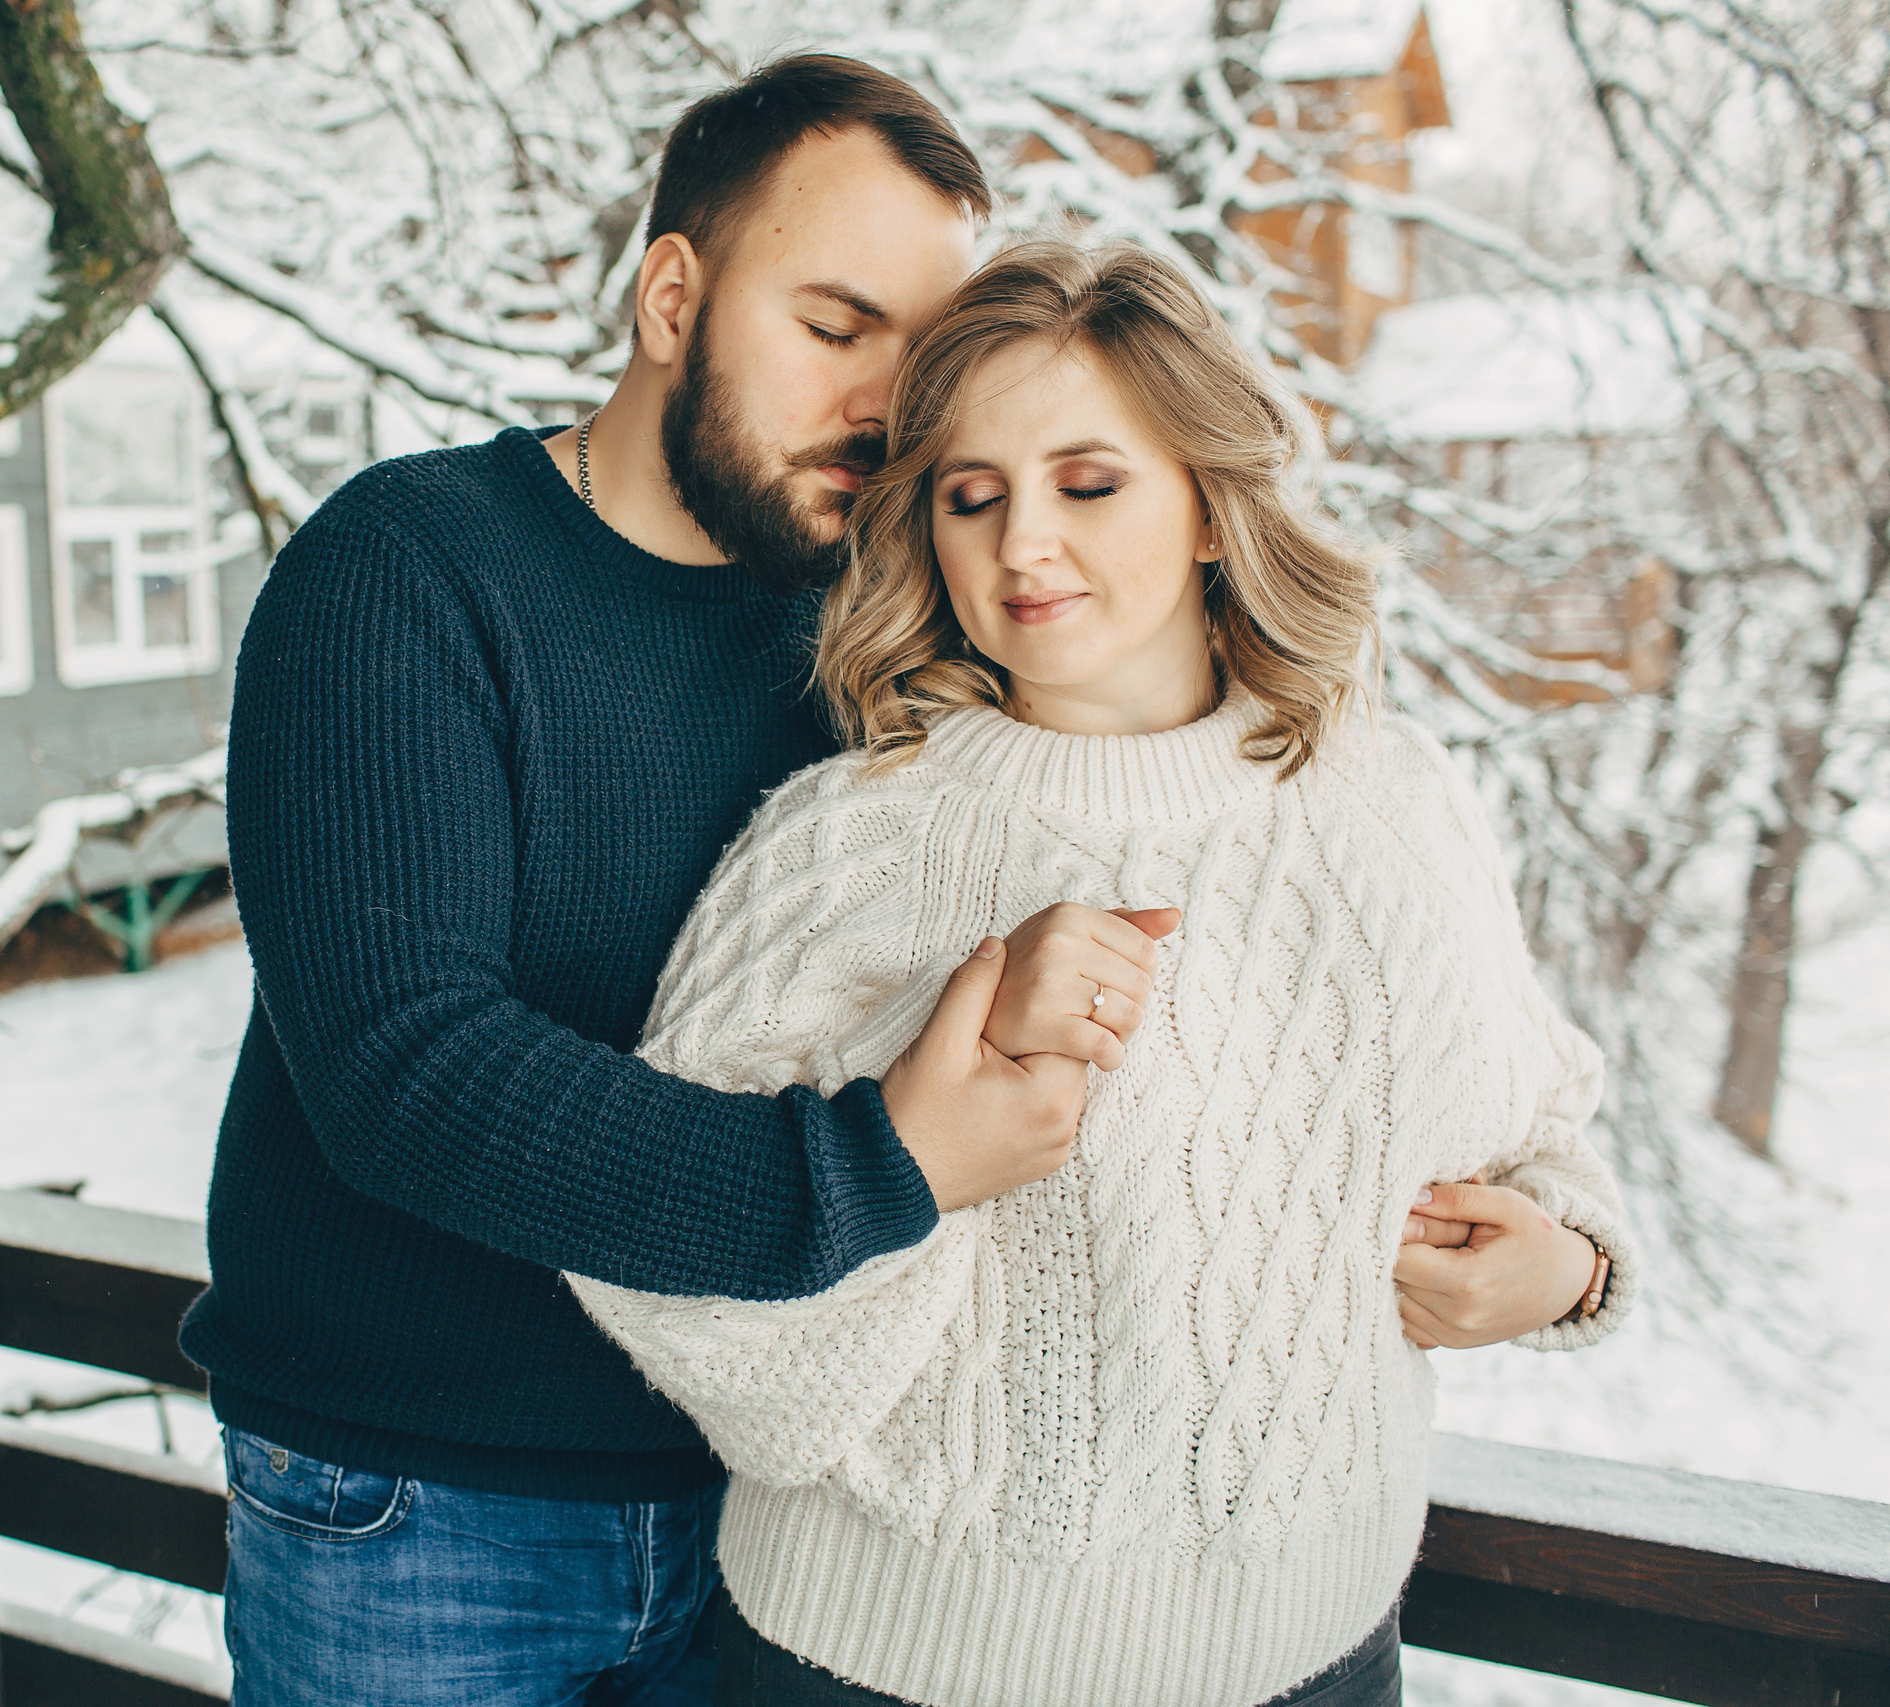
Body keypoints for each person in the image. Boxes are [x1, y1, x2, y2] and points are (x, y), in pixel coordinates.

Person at [186, 58, 1182, 1706]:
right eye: (833, 325)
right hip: (423, 1510)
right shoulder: (407, 568)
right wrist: (874, 1168)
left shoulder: (869, 631)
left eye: (919, 361)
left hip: (773, 1515)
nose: (883, 404)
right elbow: (403, 1071)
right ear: (672, 295)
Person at [571, 240, 1637, 1707]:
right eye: (971, 495)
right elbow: (662, 1274)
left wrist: (1571, 1263)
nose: (1022, 547)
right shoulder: (850, 844)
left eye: (1088, 483)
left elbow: (1539, 1124)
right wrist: (923, 1109)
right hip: (889, 1673)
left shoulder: (1396, 801)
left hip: (1324, 1665)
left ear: (1208, 505)